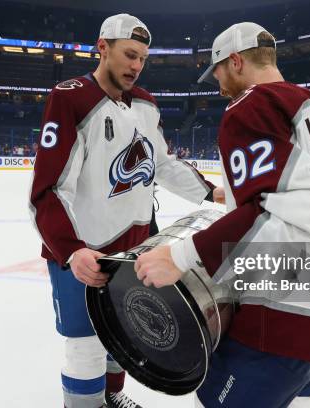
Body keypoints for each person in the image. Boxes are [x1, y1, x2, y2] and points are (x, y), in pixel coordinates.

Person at [134, 22, 310, 407]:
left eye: (218, 71)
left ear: (236, 61)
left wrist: (179, 256)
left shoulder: (251, 108)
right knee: (305, 395)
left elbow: (277, 213)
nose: (217, 85)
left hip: (294, 315)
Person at [29, 14, 222, 408]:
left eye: (143, 59)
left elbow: (163, 164)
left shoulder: (147, 104)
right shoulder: (71, 98)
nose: (136, 66)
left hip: (135, 248)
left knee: (124, 334)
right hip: (85, 252)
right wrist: (71, 249)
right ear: (102, 48)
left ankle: (112, 397)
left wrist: (211, 192)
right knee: (85, 348)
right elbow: (47, 190)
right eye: (129, 55)